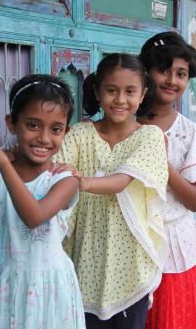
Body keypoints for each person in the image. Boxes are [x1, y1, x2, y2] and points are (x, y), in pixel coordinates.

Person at [0, 74, 85, 328]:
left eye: (56, 129)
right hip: (2, 282)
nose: (44, 138)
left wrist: (4, 163)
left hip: (49, 288)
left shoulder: (65, 179)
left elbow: (34, 217)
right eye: (33, 125)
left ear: (66, 132)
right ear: (12, 123)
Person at [56, 53, 169, 328]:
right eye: (111, 90)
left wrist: (79, 182)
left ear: (143, 94)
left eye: (130, 91)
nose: (120, 100)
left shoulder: (150, 136)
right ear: (97, 91)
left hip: (130, 263)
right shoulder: (79, 134)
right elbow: (52, 171)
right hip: (85, 256)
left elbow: (122, 180)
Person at [137, 31, 196, 329]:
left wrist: (166, 167)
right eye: (164, 70)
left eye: (181, 74)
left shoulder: (190, 134)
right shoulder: (124, 123)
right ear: (146, 72)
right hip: (128, 241)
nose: (172, 80)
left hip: (172, 245)